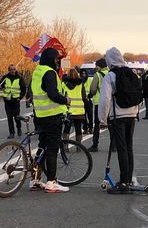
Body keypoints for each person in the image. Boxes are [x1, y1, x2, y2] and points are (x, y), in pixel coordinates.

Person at [98, 47, 139, 194]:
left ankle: (123, 182)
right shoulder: (131, 73)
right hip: (132, 113)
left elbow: (105, 100)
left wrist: (102, 119)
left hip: (118, 115)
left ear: (109, 60)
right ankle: (128, 179)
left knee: (121, 147)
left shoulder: (110, 76)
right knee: (129, 147)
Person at [31, 47, 71, 193]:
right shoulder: (49, 73)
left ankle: (35, 179)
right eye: (56, 59)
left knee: (42, 147)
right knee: (52, 149)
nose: (57, 62)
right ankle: (51, 182)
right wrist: (66, 100)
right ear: (50, 59)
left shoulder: (37, 72)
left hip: (40, 116)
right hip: (52, 116)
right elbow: (53, 94)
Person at [88, 58, 109, 152]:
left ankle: (95, 145)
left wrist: (91, 94)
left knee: (97, 124)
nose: (96, 67)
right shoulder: (111, 73)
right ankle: (114, 145)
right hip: (110, 103)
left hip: (99, 103)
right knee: (111, 124)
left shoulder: (97, 75)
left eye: (96, 65)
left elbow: (93, 89)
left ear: (99, 66)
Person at [0, 65, 26, 138]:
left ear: (15, 70)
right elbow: (1, 85)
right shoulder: (5, 78)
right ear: (9, 70)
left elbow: (23, 89)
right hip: (7, 100)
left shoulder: (19, 78)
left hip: (16, 100)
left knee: (16, 116)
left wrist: (20, 98)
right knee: (9, 117)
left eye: (14, 69)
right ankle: (11, 133)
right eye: (11, 69)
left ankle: (18, 127)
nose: (12, 71)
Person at [62, 68, 86, 143]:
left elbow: (61, 95)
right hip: (79, 110)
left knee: (67, 127)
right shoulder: (80, 84)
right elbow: (84, 96)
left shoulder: (64, 84)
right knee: (78, 128)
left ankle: (65, 145)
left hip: (68, 110)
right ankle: (79, 146)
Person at [80, 69, 93, 135]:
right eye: (82, 73)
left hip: (89, 100)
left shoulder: (90, 80)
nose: (83, 75)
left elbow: (92, 88)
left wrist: (90, 95)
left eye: (85, 73)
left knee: (90, 115)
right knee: (83, 116)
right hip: (82, 101)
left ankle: (90, 128)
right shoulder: (79, 81)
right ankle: (85, 128)